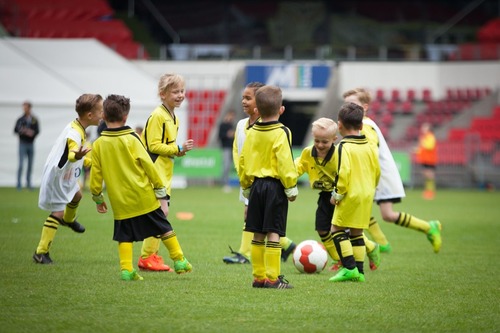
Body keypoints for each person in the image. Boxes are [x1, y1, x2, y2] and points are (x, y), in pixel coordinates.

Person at [90, 94, 192, 281]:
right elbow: (147, 164)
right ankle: (179, 260)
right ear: (125, 117)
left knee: (124, 235)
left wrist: (98, 198)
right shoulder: (132, 139)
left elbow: (95, 175)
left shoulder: (97, 145)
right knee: (163, 226)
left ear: (103, 115)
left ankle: (127, 270)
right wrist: (160, 188)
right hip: (143, 194)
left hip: (119, 200)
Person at [343, 88, 442, 253]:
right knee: (386, 215)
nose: (348, 108)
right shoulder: (361, 124)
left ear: (365, 107)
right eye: (346, 105)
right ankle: (426, 228)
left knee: (358, 209)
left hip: (379, 176)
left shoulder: (365, 126)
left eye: (352, 104)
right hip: (376, 175)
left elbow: (369, 152)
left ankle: (373, 247)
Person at [222, 82, 296, 265]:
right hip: (250, 181)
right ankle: (272, 268)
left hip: (261, 183)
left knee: (259, 224)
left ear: (260, 104)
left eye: (248, 98)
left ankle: (248, 257)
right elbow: (239, 154)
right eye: (243, 98)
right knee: (263, 225)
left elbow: (283, 162)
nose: (243, 101)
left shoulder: (273, 131)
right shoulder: (242, 126)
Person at [295, 117, 381, 272]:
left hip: (341, 196)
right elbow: (299, 166)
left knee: (346, 231)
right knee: (322, 229)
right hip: (325, 196)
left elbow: (347, 174)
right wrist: (289, 179)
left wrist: (340, 193)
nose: (320, 145)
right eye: (317, 141)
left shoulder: (339, 154)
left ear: (334, 139)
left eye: (325, 142)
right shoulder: (308, 152)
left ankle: (370, 247)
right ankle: (339, 259)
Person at [239, 85, 298, 289]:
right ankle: (273, 279)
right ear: (281, 109)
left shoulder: (252, 131)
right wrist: (291, 187)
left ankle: (258, 278)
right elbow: (285, 161)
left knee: (257, 233)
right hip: (274, 187)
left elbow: (243, 159)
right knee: (274, 232)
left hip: (255, 186)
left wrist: (246, 186)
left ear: (258, 110)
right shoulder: (283, 131)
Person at [33, 94, 103, 264]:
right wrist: (77, 155)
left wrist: (88, 161)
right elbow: (72, 154)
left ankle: (69, 220)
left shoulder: (78, 127)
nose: (103, 114)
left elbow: (75, 156)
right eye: (100, 111)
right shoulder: (75, 133)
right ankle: (41, 253)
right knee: (57, 211)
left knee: (77, 195)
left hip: (65, 174)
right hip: (57, 176)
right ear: (89, 115)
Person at [138, 73, 194, 272]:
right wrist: (177, 149)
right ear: (162, 94)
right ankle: (147, 257)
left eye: (182, 91)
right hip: (154, 171)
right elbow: (153, 146)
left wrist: (179, 152)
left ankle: (148, 257)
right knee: (161, 213)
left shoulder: (173, 117)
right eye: (175, 92)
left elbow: (167, 148)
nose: (180, 95)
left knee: (159, 213)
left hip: (164, 173)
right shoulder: (158, 116)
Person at [328, 102, 380, 282]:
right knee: (357, 232)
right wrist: (371, 188)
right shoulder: (370, 145)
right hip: (367, 193)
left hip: (351, 194)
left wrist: (337, 195)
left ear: (339, 124)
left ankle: (349, 267)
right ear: (360, 125)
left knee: (336, 229)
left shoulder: (344, 146)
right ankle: (359, 272)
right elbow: (377, 171)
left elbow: (343, 173)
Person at [14, 101, 40, 190]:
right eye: (23, 108)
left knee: (30, 164)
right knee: (21, 164)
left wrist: (32, 133)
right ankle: (18, 184)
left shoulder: (34, 119)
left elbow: (37, 130)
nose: (24, 109)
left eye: (26, 107)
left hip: (31, 144)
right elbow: (15, 130)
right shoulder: (20, 119)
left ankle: (28, 183)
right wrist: (24, 131)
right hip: (22, 144)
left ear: (29, 108)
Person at [415, 122, 437, 200]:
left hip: (430, 159)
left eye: (425, 127)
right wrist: (416, 151)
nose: (423, 129)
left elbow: (430, 146)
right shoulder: (425, 137)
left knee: (429, 175)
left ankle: (431, 191)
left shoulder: (430, 136)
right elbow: (422, 149)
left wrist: (422, 143)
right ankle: (427, 191)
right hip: (425, 159)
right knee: (426, 175)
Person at [218, 110, 235, 192]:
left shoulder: (231, 125)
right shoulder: (223, 125)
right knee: (226, 165)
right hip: (225, 147)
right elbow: (220, 136)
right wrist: (227, 135)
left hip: (231, 147)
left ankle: (226, 182)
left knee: (229, 166)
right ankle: (224, 183)